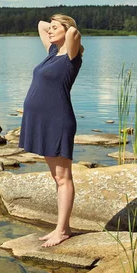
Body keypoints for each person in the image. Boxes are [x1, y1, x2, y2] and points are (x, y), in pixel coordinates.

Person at [18, 13, 84, 248]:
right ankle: (61, 227)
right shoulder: (52, 53)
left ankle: (62, 230)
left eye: (55, 28)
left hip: (57, 120)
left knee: (63, 178)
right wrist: (55, 24)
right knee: (57, 178)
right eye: (51, 28)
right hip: (41, 120)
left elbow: (74, 33)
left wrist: (65, 26)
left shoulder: (71, 56)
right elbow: (40, 24)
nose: (49, 31)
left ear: (66, 30)